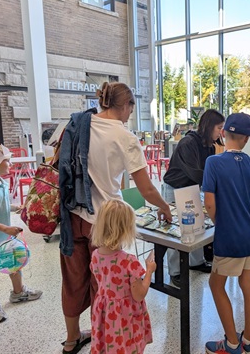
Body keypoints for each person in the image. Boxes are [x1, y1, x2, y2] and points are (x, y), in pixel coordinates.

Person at [58, 82, 172, 354]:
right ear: (125, 105)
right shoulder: (124, 137)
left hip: (73, 214)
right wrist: (165, 207)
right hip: (106, 221)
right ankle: (107, 339)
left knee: (73, 281)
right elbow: (145, 188)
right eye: (131, 107)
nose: (131, 113)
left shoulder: (79, 123)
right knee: (106, 284)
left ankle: (72, 338)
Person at [202, 113, 250, 354]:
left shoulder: (214, 162)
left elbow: (209, 203)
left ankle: (231, 342)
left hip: (229, 237)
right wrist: (247, 210)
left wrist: (222, 220)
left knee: (216, 284)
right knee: (248, 284)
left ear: (224, 134)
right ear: (245, 139)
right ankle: (249, 341)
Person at [0, 144, 42, 323]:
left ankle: (19, 293)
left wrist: (14, 207)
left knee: (14, 263)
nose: (10, 163)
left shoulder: (1, 183)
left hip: (4, 237)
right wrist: (5, 228)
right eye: (7, 161)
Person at [162, 109, 225, 287]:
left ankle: (196, 262)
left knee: (197, 226)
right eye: (219, 127)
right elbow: (196, 173)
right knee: (176, 231)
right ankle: (174, 271)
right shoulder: (187, 143)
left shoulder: (210, 146)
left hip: (192, 188)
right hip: (175, 188)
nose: (221, 132)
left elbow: (208, 173)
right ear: (209, 126)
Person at [90, 200, 155, 354]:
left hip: (104, 310)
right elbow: (139, 295)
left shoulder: (95, 255)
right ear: (126, 230)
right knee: (127, 344)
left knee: (110, 343)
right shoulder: (129, 261)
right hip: (125, 314)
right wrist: (150, 271)